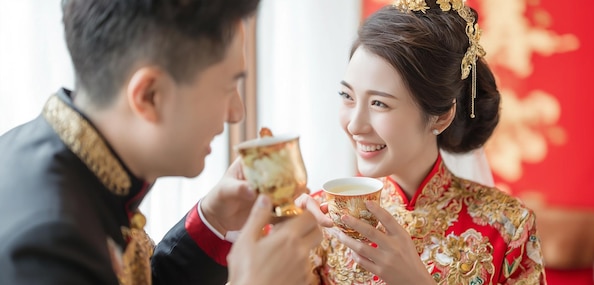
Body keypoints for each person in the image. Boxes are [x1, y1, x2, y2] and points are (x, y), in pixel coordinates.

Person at [0, 0, 323, 284]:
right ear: (149, 96)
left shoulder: (54, 156)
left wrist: (215, 221)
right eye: (227, 87)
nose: (236, 113)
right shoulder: (46, 249)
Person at [307, 0, 547, 284]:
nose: (355, 124)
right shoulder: (318, 219)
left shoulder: (508, 227)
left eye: (379, 103)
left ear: (441, 116)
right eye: (347, 96)